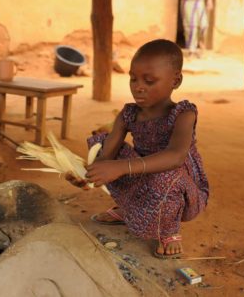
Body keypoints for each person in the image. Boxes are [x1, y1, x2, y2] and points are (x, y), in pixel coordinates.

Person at [66, 39, 209, 258]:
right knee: (100, 143)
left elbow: (176, 156)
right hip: (141, 176)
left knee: (166, 175)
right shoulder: (129, 114)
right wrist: (87, 175)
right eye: (133, 79)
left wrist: (122, 167)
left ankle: (168, 231)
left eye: (149, 81)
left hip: (181, 189)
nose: (138, 86)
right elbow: (106, 157)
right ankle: (129, 210)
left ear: (176, 80)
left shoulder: (183, 114)